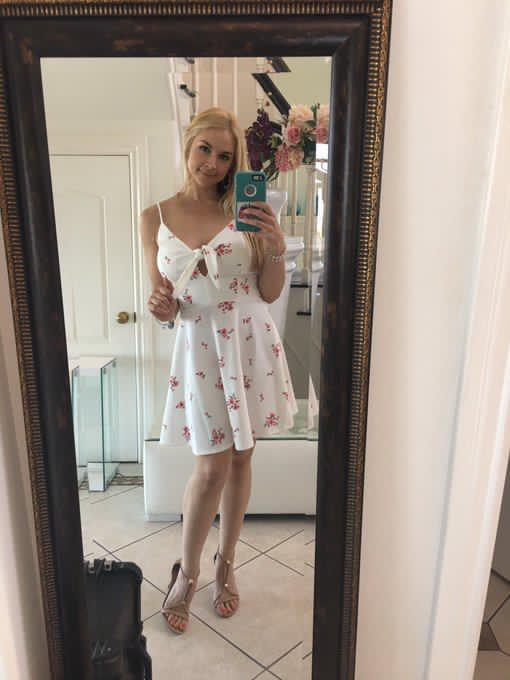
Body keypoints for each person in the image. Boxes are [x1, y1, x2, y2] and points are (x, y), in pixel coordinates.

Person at [138, 107, 298, 635]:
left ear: (235, 163)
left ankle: (226, 565)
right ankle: (187, 572)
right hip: (199, 347)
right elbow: (163, 301)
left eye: (225, 156)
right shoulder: (154, 217)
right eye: (204, 149)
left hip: (249, 340)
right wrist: (161, 307)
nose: (212, 163)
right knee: (210, 466)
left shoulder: (248, 212)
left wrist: (274, 247)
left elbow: (269, 291)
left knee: (242, 457)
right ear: (188, 145)